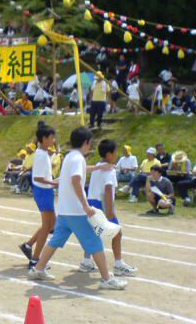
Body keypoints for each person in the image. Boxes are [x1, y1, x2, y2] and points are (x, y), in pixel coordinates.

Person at [29, 127, 127, 290]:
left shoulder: (69, 157)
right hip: (76, 211)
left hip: (64, 210)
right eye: (90, 143)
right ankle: (107, 279)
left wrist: (97, 168)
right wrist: (85, 205)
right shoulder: (78, 159)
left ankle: (38, 269)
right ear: (86, 142)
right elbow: (76, 180)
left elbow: (75, 174)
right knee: (95, 242)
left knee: (55, 241)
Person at [86, 139, 138, 275]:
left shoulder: (98, 166)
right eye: (115, 152)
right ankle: (118, 264)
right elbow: (108, 189)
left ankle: (86, 261)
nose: (116, 155)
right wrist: (110, 211)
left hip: (92, 201)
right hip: (102, 204)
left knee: (94, 233)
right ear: (109, 154)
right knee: (117, 233)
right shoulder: (109, 169)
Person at [19, 124, 58, 269]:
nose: (54, 140)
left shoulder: (43, 153)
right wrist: (55, 183)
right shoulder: (41, 155)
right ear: (44, 138)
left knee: (50, 226)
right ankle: (35, 260)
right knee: (49, 227)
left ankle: (28, 246)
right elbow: (39, 178)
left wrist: (54, 181)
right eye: (51, 138)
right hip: (43, 191)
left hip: (44, 191)